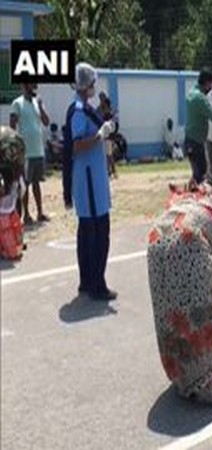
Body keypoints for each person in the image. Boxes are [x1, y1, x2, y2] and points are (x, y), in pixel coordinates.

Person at [147, 176, 212, 404]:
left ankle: (181, 376)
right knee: (202, 315)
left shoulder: (187, 196)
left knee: (170, 313)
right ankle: (205, 382)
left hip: (155, 240)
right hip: (188, 241)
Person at [70, 62, 118, 301]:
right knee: (98, 234)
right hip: (90, 183)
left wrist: (103, 114)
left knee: (87, 233)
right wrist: (101, 134)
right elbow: (78, 143)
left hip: (92, 181)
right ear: (86, 84)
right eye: (92, 84)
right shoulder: (79, 110)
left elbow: (93, 119)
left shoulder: (83, 108)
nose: (94, 87)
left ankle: (87, 281)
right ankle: (97, 285)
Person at [9, 83, 50, 225]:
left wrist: (41, 105)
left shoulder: (37, 102)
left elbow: (46, 122)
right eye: (31, 85)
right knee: (25, 185)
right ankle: (26, 215)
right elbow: (12, 126)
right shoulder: (17, 103)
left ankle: (40, 212)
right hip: (25, 152)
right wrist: (16, 148)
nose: (34, 87)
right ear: (24, 86)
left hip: (38, 149)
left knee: (37, 183)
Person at [0, 126, 26, 260]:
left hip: (7, 214)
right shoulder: (14, 174)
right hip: (7, 214)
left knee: (14, 251)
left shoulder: (12, 175)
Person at [97, 92, 118, 179]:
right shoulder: (100, 108)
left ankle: (110, 172)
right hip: (104, 135)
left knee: (108, 154)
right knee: (108, 154)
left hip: (108, 136)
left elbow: (112, 121)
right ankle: (111, 171)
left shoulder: (108, 110)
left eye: (102, 98)